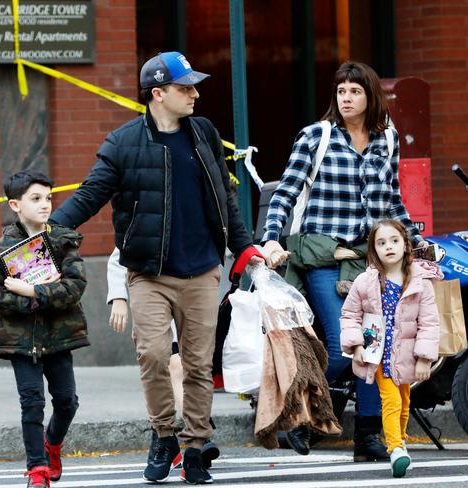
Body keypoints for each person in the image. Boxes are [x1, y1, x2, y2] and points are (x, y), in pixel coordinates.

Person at [50, 51, 264, 484]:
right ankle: (164, 434)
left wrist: (244, 249)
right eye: (186, 88)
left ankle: (195, 445)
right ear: (158, 93)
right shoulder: (123, 143)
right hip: (149, 272)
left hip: (203, 270)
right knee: (152, 355)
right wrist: (50, 231)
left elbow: (224, 199)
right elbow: (90, 195)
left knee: (199, 364)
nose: (196, 94)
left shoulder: (203, 132)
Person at [261, 61, 426, 460]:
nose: (346, 98)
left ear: (370, 96)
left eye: (354, 91)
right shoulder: (316, 137)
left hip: (370, 260)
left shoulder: (387, 141)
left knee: (374, 341)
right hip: (323, 255)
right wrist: (269, 239)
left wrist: (415, 242)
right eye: (341, 92)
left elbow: (392, 201)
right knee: (339, 346)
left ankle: (368, 437)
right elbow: (286, 192)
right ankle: (299, 414)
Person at [0, 171, 88, 488]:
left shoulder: (62, 240)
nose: (45, 205)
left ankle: (52, 444)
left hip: (59, 337)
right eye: (36, 199)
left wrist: (32, 291)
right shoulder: (3, 248)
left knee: (67, 401)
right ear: (15, 204)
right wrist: (30, 304)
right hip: (19, 341)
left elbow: (74, 287)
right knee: (32, 403)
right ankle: (37, 469)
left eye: (48, 198)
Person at [340, 219, 441, 477]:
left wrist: (424, 358)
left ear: (406, 245)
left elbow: (429, 322)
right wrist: (356, 345)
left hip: (407, 354)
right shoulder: (366, 282)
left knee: (405, 400)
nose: (389, 247)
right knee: (392, 399)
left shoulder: (420, 282)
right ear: (373, 250)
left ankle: (400, 440)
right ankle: (395, 448)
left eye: (394, 241)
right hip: (379, 354)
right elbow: (349, 315)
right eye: (381, 243)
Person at [106, 247, 220, 469]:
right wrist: (118, 297)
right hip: (154, 302)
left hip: (188, 297)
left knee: (185, 366)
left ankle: (190, 435)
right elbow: (119, 257)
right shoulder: (146, 219)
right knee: (169, 364)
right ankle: (171, 436)